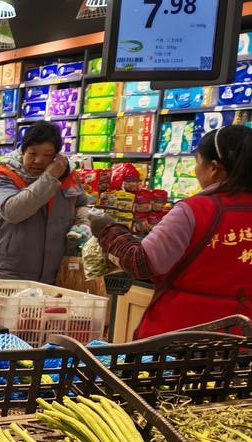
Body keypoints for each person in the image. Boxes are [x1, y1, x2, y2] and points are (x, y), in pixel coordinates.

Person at [88, 124, 252, 337]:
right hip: (242, 343)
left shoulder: (195, 211)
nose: (195, 170)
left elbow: (140, 263)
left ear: (214, 168)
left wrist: (108, 230)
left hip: (181, 337)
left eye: (197, 162)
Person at [0, 120, 90, 283]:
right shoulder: (4, 174)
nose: (38, 161)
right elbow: (13, 212)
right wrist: (49, 177)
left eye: (47, 155)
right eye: (33, 153)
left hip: (57, 271)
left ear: (57, 156)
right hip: (13, 272)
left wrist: (83, 223)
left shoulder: (68, 174)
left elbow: (81, 204)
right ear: (23, 151)